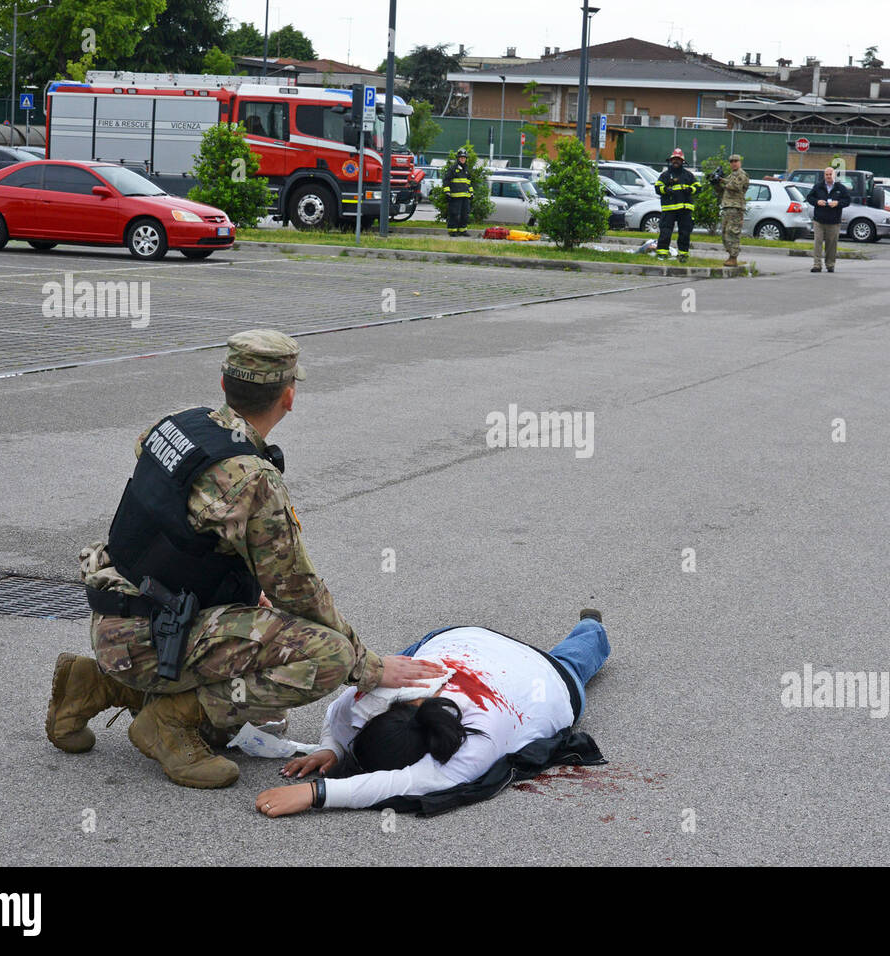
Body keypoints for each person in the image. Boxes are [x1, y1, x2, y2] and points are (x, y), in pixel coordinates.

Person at [45, 330, 445, 789]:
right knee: (326, 656)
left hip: (117, 616)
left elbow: (179, 527)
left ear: (223, 384)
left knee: (235, 708)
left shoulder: (175, 424)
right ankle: (168, 723)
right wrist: (369, 665)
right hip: (152, 640)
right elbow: (296, 589)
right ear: (288, 396)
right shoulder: (252, 479)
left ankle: (96, 683)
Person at [254, 610, 611, 816]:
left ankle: (592, 631)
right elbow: (339, 716)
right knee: (403, 662)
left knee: (571, 665)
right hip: (468, 641)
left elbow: (394, 784)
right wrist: (332, 749)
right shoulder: (386, 693)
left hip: (542, 673)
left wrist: (316, 793)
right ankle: (592, 626)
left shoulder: (471, 750)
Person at [655, 147, 699, 263]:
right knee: (665, 232)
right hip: (669, 209)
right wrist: (666, 189)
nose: (676, 161)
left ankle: (683, 255)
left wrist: (691, 189)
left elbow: (698, 187)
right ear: (671, 160)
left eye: (678, 159)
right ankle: (662, 254)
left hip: (685, 210)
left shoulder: (689, 175)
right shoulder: (665, 175)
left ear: (682, 161)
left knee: (685, 233)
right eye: (674, 159)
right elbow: (657, 188)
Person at [804, 166, 851, 273]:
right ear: (824, 175)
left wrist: (838, 203)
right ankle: (817, 265)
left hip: (834, 221)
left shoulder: (840, 188)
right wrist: (817, 202)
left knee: (831, 244)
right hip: (819, 220)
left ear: (834, 175)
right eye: (827, 174)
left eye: (830, 174)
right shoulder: (818, 186)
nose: (828, 176)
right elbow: (809, 197)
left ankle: (830, 265)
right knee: (818, 243)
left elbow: (847, 200)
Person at [712, 153, 750, 267]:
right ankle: (730, 254)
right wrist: (715, 183)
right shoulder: (730, 176)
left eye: (735, 161)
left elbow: (735, 186)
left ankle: (733, 257)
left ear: (739, 162)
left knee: (732, 232)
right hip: (727, 207)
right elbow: (722, 191)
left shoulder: (741, 174)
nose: (733, 163)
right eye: (731, 161)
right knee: (724, 233)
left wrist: (721, 179)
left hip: (736, 207)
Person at [442, 148, 473, 237]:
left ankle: (462, 230)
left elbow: (469, 182)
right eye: (461, 157)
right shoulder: (453, 168)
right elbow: (446, 181)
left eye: (464, 158)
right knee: (454, 214)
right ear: (458, 158)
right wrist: (447, 192)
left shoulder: (466, 169)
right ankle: (452, 231)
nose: (463, 159)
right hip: (455, 197)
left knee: (465, 214)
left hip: (465, 197)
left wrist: (471, 193)